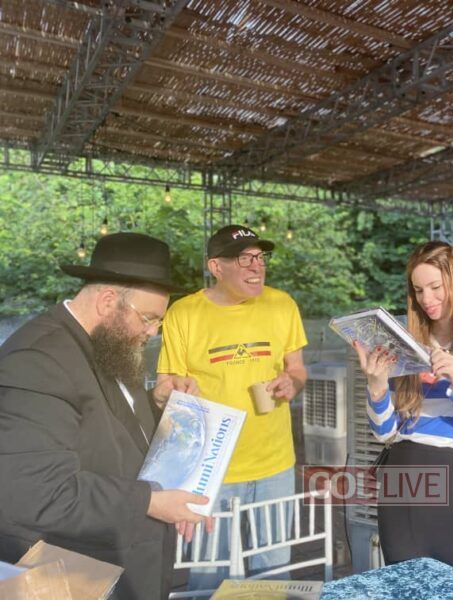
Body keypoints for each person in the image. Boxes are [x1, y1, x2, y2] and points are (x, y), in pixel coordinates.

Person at [0, 232, 211, 600]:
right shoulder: (36, 361)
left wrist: (156, 404)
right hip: (75, 576)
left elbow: (101, 426)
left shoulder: (105, 342)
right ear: (108, 301)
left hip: (125, 567)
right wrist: (150, 501)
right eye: (148, 319)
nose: (152, 332)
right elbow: (38, 493)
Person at [156, 224, 307, 589]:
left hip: (275, 465)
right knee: (209, 577)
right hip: (210, 469)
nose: (257, 266)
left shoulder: (282, 304)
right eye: (244, 259)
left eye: (259, 257)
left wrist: (292, 383)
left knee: (274, 576)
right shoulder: (183, 313)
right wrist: (173, 391)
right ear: (216, 267)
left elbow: (298, 370)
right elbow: (164, 387)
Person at [355, 241, 453, 585]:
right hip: (403, 482)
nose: (426, 299)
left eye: (435, 287)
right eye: (418, 290)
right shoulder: (404, 347)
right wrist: (377, 385)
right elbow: (385, 432)